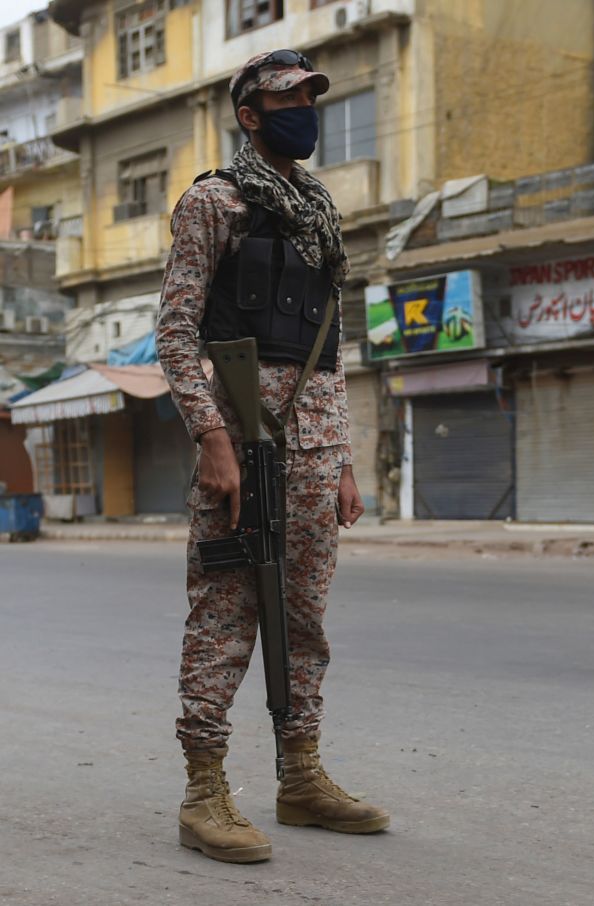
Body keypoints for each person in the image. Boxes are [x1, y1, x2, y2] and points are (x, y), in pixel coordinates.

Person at [156, 50, 388, 864]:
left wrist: (348, 459)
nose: (303, 108)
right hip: (243, 441)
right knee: (225, 614)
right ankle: (204, 788)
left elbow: (332, 350)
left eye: (308, 96)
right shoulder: (214, 202)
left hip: (317, 444)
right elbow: (177, 332)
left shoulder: (317, 210)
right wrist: (211, 437)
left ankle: (301, 775)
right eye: (285, 97)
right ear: (249, 115)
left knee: (306, 621)